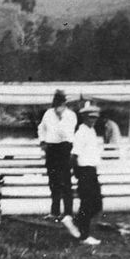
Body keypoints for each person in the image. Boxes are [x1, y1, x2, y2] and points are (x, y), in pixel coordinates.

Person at [62, 101, 103, 246]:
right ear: (84, 117)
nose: (94, 120)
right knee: (87, 203)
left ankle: (74, 222)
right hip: (84, 171)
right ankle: (84, 236)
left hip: (92, 170)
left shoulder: (91, 131)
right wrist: (76, 172)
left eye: (95, 117)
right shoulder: (81, 132)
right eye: (91, 117)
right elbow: (74, 155)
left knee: (97, 204)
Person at [38, 89, 77, 220]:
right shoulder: (48, 113)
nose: (58, 103)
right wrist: (42, 141)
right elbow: (41, 128)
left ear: (65, 102)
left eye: (61, 100)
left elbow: (65, 134)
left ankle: (68, 213)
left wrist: (60, 117)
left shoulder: (70, 115)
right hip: (51, 149)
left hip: (65, 148)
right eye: (56, 100)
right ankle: (54, 212)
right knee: (53, 181)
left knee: (65, 181)